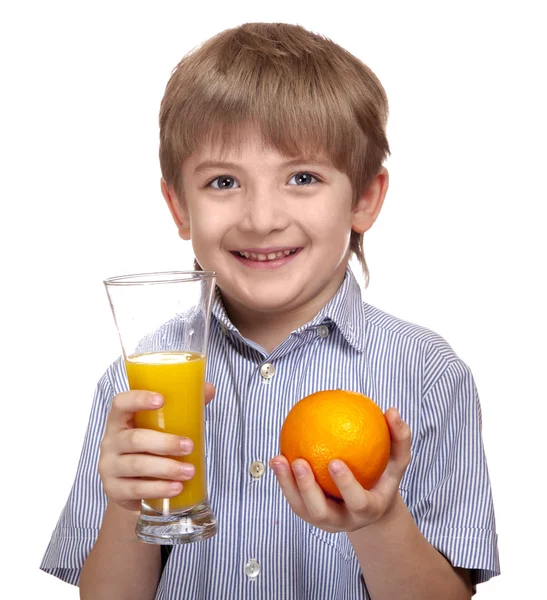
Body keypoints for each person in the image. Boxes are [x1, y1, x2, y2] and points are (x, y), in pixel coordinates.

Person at [40, 22, 500, 599]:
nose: (261, 218)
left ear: (363, 199)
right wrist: (126, 505)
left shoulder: (427, 373)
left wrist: (379, 523)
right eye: (224, 181)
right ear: (178, 205)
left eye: (302, 177)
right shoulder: (137, 383)